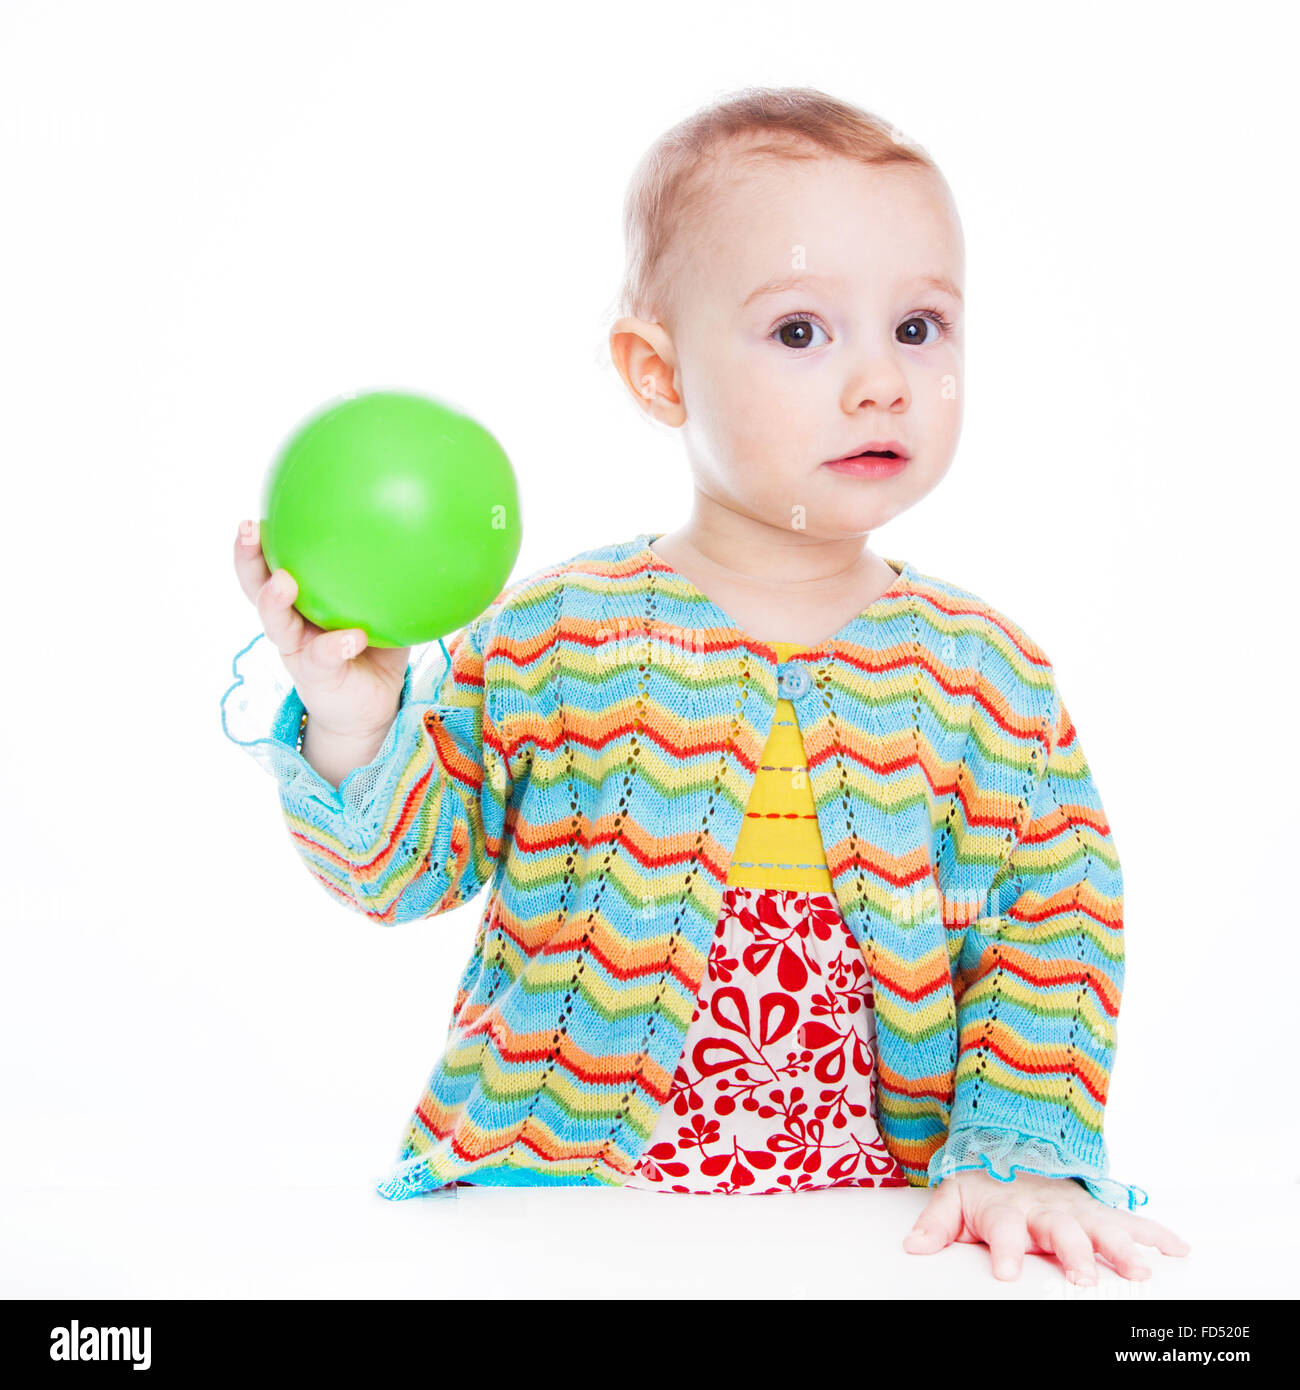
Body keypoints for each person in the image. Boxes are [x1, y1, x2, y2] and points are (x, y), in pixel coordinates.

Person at [222, 85, 1189, 1286]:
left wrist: (1023, 1151)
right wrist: (358, 716)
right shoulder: (554, 633)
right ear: (657, 374)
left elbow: (1053, 917)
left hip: (881, 1236)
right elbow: (399, 873)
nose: (880, 381)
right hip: (569, 1219)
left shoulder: (984, 672)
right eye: (801, 331)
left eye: (920, 327)